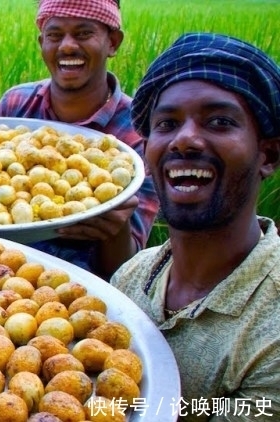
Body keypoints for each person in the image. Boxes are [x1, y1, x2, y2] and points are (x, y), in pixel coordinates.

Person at [112, 33, 280, 420]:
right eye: (167, 123)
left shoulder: (270, 332)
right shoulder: (132, 277)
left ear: (268, 155)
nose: (185, 140)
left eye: (219, 122)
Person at [0, 0, 158, 280]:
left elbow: (125, 269)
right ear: (42, 42)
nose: (67, 46)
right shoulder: (16, 104)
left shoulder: (137, 132)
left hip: (80, 289)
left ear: (113, 42)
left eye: (83, 34)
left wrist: (117, 228)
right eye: (55, 35)